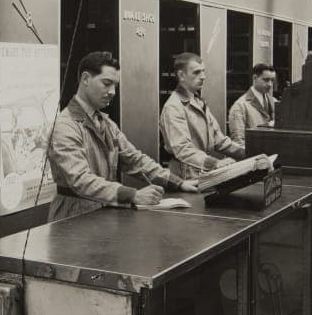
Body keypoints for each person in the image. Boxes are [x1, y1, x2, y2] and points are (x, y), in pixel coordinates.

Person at [47, 51, 196, 223]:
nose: (112, 92)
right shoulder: (65, 126)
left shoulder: (105, 123)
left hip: (102, 213)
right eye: (107, 83)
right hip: (72, 218)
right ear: (85, 79)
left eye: (115, 86)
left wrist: (178, 183)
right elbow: (80, 180)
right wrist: (133, 195)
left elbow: (135, 160)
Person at [159, 53, 246, 179]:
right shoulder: (173, 107)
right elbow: (183, 149)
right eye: (196, 72)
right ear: (181, 75)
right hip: (185, 176)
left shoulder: (198, 102)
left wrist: (250, 153)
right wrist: (215, 163)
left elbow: (220, 141)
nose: (203, 77)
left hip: (200, 172)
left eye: (203, 71)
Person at [227, 63, 277, 147]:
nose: (270, 84)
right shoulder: (240, 106)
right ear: (254, 78)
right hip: (254, 155)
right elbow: (239, 141)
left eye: (272, 80)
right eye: (266, 80)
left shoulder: (274, 101)